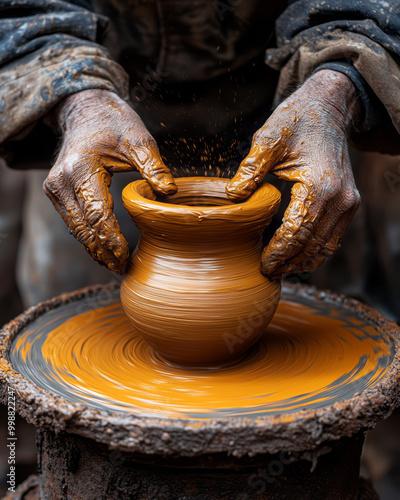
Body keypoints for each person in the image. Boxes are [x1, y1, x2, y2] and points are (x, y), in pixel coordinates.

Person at [1, 0, 400, 288]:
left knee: (324, 303)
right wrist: (79, 104)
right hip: (99, 124)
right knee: (68, 305)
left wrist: (335, 93)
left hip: (295, 115)